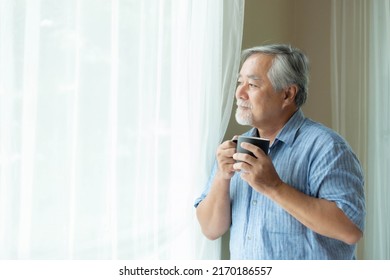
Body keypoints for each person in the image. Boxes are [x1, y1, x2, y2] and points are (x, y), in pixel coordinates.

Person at [194, 44, 365, 259]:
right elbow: (210, 229)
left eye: (253, 85)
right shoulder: (234, 150)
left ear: (287, 94)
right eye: (240, 82)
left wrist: (274, 187)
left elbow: (350, 230)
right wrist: (222, 177)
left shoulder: (328, 148)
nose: (239, 92)